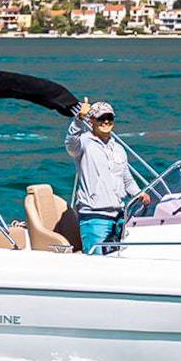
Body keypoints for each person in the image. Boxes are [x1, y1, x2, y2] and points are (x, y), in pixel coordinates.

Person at [65, 97, 151, 253]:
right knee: (95, 264)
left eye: (109, 117)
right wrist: (78, 119)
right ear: (91, 121)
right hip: (94, 218)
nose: (106, 121)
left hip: (119, 217)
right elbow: (70, 144)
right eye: (101, 118)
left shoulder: (118, 149)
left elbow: (127, 179)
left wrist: (139, 194)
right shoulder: (83, 143)